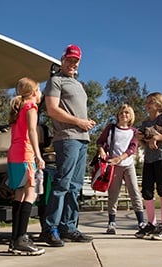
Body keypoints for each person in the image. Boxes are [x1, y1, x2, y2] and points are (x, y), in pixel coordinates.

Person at [41, 44, 96, 246]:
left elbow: (75, 111)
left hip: (83, 138)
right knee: (63, 183)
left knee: (75, 186)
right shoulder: (55, 81)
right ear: (62, 59)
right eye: (69, 60)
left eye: (76, 61)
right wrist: (78, 122)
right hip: (67, 138)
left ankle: (68, 227)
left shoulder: (78, 85)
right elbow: (53, 110)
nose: (72, 63)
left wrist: (86, 122)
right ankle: (50, 228)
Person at [7, 77, 46, 255]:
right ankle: (22, 238)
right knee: (31, 192)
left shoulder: (18, 109)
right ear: (33, 92)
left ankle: (15, 239)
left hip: (14, 154)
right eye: (39, 90)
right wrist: (38, 156)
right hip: (26, 154)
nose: (41, 94)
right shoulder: (31, 107)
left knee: (19, 194)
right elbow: (32, 131)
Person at [134, 92, 162, 240]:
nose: (146, 105)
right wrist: (139, 138)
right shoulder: (145, 123)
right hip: (149, 160)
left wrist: (157, 137)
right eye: (146, 102)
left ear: (159, 104)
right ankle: (151, 224)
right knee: (146, 191)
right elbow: (144, 143)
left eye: (150, 102)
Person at [96, 104, 145, 234]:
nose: (124, 115)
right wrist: (101, 151)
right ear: (118, 115)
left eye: (127, 113)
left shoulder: (134, 132)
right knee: (113, 194)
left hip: (128, 165)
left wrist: (120, 158)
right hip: (113, 166)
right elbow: (100, 141)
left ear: (131, 116)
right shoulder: (111, 128)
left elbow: (132, 148)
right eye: (122, 112)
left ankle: (141, 221)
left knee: (134, 192)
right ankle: (111, 222)